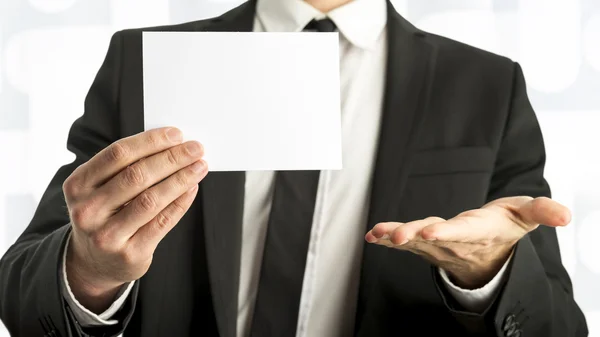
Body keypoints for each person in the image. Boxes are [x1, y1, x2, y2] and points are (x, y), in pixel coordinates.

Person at [0, 0, 588, 336]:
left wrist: (488, 275)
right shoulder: (144, 61)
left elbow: (556, 327)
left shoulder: (486, 85)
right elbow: (22, 294)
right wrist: (90, 274)